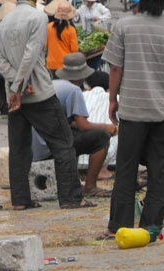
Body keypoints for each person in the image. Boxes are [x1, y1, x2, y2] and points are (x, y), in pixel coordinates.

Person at [0, 0, 95, 210]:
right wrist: (21, 84)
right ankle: (70, 198)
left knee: (19, 149)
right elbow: (30, 55)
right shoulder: (37, 18)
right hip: (38, 92)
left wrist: (15, 85)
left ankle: (20, 201)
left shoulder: (4, 23)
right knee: (63, 143)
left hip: (15, 98)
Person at [101, 0, 164, 239]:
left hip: (132, 112)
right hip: (163, 112)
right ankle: (152, 227)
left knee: (126, 169)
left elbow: (115, 67)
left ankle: (119, 226)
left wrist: (112, 98)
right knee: (158, 170)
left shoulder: (123, 26)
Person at [32, 53, 118, 197]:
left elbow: (71, 123)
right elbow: (83, 125)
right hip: (53, 147)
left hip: (38, 146)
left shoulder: (52, 85)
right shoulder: (73, 90)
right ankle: (90, 186)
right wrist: (108, 127)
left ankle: (76, 181)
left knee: (75, 135)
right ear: (81, 76)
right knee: (102, 137)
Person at [80, 71, 118, 174]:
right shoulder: (116, 99)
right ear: (109, 88)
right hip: (106, 159)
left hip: (77, 157)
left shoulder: (80, 95)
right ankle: (102, 171)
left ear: (88, 87)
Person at [46, 2, 79, 79]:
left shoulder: (49, 27)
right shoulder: (71, 30)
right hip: (66, 65)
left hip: (51, 64)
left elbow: (46, 44)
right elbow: (75, 49)